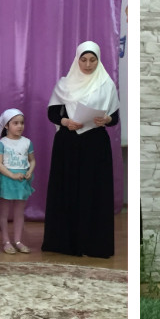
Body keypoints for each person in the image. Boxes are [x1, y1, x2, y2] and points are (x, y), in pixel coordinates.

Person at [43, 40, 120, 258]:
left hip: (95, 145)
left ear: (98, 60)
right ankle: (65, 243)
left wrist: (106, 119)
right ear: (77, 60)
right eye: (83, 60)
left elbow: (114, 117)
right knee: (67, 190)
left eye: (92, 60)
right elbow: (52, 113)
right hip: (68, 144)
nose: (87, 64)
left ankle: (93, 244)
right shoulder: (65, 84)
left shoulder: (106, 84)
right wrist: (65, 122)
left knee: (93, 192)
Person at [0, 108, 35, 253]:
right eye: (15, 123)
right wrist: (11, 175)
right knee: (4, 212)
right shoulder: (2, 143)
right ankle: (6, 240)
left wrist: (29, 171)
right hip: (7, 180)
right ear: (6, 125)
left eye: (22, 123)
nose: (20, 126)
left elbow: (32, 160)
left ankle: (18, 240)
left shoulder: (27, 142)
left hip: (22, 181)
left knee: (19, 212)